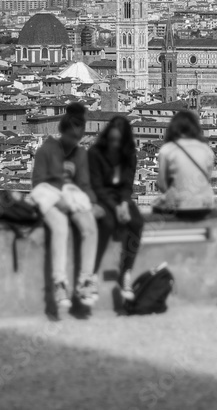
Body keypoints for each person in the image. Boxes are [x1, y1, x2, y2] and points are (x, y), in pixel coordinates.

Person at [31, 102, 100, 316]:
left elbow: (84, 184)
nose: (75, 141)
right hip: (48, 197)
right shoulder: (47, 150)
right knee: (61, 229)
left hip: (71, 196)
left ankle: (86, 280)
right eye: (72, 136)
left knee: (90, 228)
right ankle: (59, 283)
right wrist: (58, 198)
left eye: (77, 138)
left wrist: (93, 203)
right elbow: (38, 181)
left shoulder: (79, 154)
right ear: (63, 133)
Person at [89, 115, 143, 301]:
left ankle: (126, 270)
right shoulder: (95, 153)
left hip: (121, 197)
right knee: (106, 224)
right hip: (101, 196)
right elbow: (96, 185)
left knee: (136, 222)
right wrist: (116, 207)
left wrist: (123, 204)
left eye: (118, 141)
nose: (114, 144)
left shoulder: (129, 154)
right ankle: (93, 274)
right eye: (112, 140)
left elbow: (127, 184)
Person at [154, 110, 216, 215]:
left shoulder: (167, 149)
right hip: (205, 205)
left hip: (180, 207)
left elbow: (162, 184)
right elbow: (207, 178)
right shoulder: (206, 149)